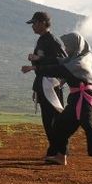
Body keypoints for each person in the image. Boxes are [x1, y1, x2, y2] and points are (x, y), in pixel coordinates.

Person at [22, 32, 92, 170]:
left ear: (76, 46)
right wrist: (39, 59)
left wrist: (34, 67)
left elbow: (58, 68)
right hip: (75, 98)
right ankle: (61, 156)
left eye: (68, 46)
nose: (66, 49)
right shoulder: (73, 59)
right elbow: (58, 61)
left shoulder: (79, 63)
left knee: (88, 125)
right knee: (60, 125)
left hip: (86, 96)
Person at [25, 11, 67, 160]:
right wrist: (35, 61)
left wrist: (38, 58)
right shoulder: (42, 40)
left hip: (52, 85)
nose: (32, 27)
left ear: (43, 22)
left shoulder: (52, 40)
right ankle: (55, 150)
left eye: (34, 23)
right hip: (43, 83)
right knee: (48, 120)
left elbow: (63, 61)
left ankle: (60, 152)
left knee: (55, 119)